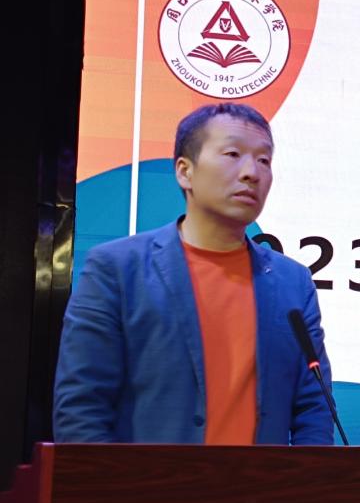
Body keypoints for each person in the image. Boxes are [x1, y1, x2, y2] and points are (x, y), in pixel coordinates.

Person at [53, 103, 333, 444]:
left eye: (264, 160)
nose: (252, 173)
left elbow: (314, 407)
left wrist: (307, 477)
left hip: (263, 480)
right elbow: (82, 407)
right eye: (233, 154)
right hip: (151, 479)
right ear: (185, 172)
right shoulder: (116, 269)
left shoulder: (293, 282)